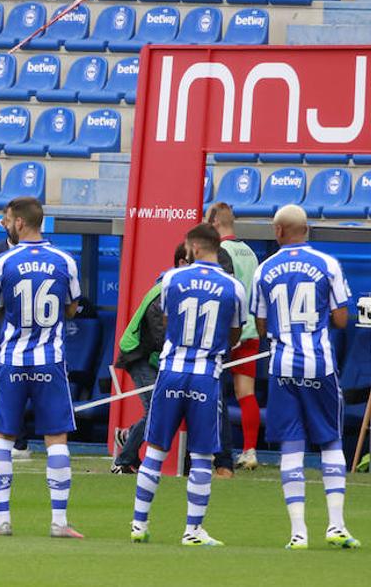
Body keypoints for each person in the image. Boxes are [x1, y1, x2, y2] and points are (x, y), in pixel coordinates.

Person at [129, 224, 244, 547]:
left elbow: (167, 321)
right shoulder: (233, 287)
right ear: (217, 246)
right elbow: (234, 334)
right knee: (203, 454)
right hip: (206, 374)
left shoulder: (171, 279)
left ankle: (139, 523)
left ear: (193, 247)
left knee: (155, 449)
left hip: (171, 370)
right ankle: (192, 530)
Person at [252, 204, 360, 550]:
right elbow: (342, 319)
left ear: (280, 231)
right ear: (307, 228)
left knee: (292, 446)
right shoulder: (327, 264)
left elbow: (262, 324)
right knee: (330, 441)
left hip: (282, 366)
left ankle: (298, 532)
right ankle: (336, 525)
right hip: (319, 365)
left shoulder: (264, 269)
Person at [0, 196, 83, 539]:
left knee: (3, 437)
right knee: (56, 439)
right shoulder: (65, 261)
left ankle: (3, 520)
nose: (6, 224)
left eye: (8, 219)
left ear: (20, 223)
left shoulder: (3, 262)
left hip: (11, 360)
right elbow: (72, 309)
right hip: (50, 361)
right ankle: (58, 521)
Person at [112, 242, 189, 474]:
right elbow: (159, 336)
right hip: (139, 355)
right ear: (182, 263)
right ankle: (122, 461)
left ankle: (127, 438)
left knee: (159, 408)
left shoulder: (173, 287)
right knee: (156, 409)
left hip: (150, 355)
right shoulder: (164, 291)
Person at [208, 203, 262, 472]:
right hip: (251, 330)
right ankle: (249, 451)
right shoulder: (250, 252)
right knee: (246, 393)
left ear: (215, 222)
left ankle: (212, 450)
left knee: (211, 392)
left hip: (229, 331)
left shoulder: (220, 252)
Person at [0, 209, 31, 460]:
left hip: (40, 334)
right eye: (4, 220)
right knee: (10, 387)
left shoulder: (43, 252)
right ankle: (17, 440)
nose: (6, 224)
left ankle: (53, 441)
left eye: (9, 219)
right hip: (9, 332)